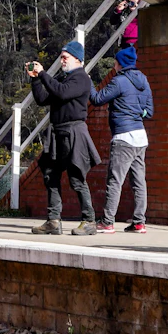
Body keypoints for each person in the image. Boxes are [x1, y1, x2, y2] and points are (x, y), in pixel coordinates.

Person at [28, 39, 101, 235]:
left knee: (76, 177)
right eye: (61, 57)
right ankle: (53, 221)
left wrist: (43, 73)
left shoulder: (81, 78)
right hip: (57, 132)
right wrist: (35, 79)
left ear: (77, 59)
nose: (62, 61)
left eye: (65, 57)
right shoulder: (64, 78)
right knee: (50, 175)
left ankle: (89, 221)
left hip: (73, 132)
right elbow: (43, 99)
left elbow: (61, 94)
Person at [90, 46, 153, 233]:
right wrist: (137, 112)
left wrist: (87, 83)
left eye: (115, 63)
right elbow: (149, 111)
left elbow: (97, 99)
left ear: (120, 64)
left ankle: (107, 222)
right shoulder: (144, 80)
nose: (114, 66)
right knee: (139, 182)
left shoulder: (119, 81)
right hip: (141, 137)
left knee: (115, 180)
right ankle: (139, 222)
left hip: (123, 137)